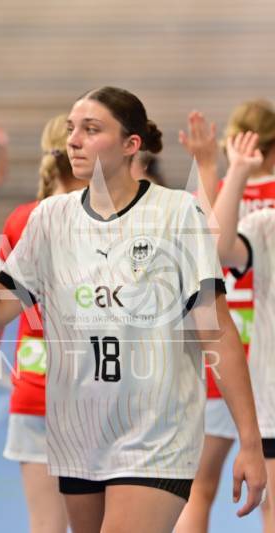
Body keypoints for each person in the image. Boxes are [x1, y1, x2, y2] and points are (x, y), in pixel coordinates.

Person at [0, 86, 265, 533]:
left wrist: (250, 439)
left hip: (155, 438)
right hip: (78, 436)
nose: (74, 140)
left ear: (131, 144)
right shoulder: (49, 218)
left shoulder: (176, 213)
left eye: (91, 129)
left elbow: (216, 331)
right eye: (71, 129)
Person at [0, 114, 80, 533]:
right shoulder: (110, 219)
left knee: (45, 525)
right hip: (101, 394)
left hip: (35, 390)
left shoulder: (23, 220)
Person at [175, 101, 275, 533]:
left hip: (222, 349)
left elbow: (205, 246)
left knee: (200, 487)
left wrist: (208, 167)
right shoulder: (264, 212)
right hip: (256, 351)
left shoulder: (219, 195)